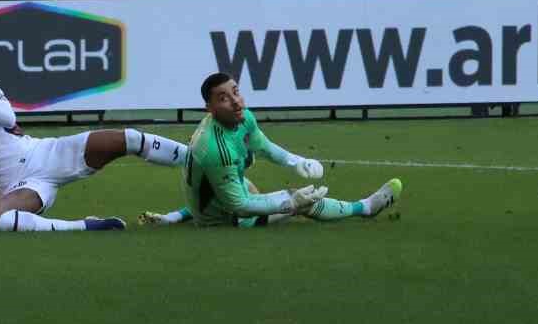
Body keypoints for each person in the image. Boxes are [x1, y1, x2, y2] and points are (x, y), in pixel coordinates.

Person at [0, 49, 193, 233]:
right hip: (22, 189)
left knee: (129, 138)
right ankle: (87, 226)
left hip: (46, 153)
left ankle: (196, 158)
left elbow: (9, 120)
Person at [138, 73, 403, 229]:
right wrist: (289, 202)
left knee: (249, 183)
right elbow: (239, 207)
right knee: (299, 202)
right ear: (210, 108)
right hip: (224, 221)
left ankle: (182, 215)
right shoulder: (213, 149)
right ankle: (365, 207)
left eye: (236, 92)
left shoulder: (243, 117)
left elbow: (263, 147)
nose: (235, 101)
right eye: (223, 98)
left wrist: (296, 161)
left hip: (217, 196)